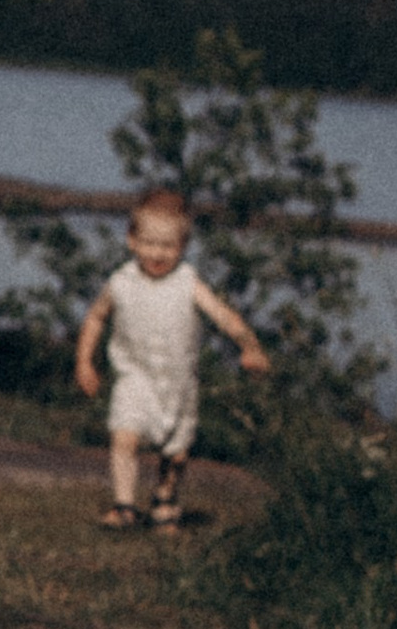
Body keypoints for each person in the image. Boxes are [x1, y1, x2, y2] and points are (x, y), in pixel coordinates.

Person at [75, 188, 266, 530]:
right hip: (135, 377)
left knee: (176, 452)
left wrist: (249, 346)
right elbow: (95, 318)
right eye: (149, 243)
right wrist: (84, 361)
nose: (157, 253)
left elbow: (223, 316)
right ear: (132, 240)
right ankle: (124, 505)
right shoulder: (121, 282)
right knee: (124, 436)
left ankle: (164, 500)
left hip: (178, 383)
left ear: (183, 246)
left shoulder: (187, 282)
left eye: (167, 246)